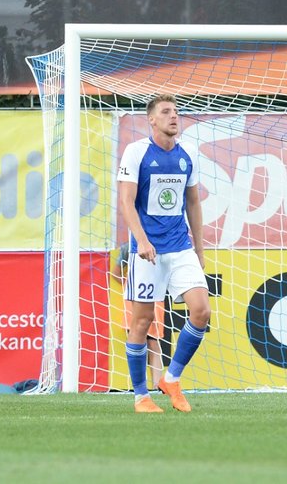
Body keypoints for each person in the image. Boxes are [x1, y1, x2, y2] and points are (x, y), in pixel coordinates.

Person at [117, 94, 211, 413]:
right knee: (142, 321)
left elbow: (193, 203)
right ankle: (141, 396)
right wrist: (142, 241)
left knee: (201, 311)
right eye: (166, 112)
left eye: (176, 112)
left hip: (180, 247)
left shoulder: (188, 155)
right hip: (148, 251)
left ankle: (171, 378)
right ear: (152, 120)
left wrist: (199, 249)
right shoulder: (137, 152)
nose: (174, 116)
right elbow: (126, 202)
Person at [109, 242, 166, 388]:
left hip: (154, 295)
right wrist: (130, 286)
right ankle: (139, 385)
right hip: (135, 298)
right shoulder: (128, 247)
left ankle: (157, 385)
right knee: (138, 340)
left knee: (153, 341)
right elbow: (115, 273)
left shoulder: (161, 242)